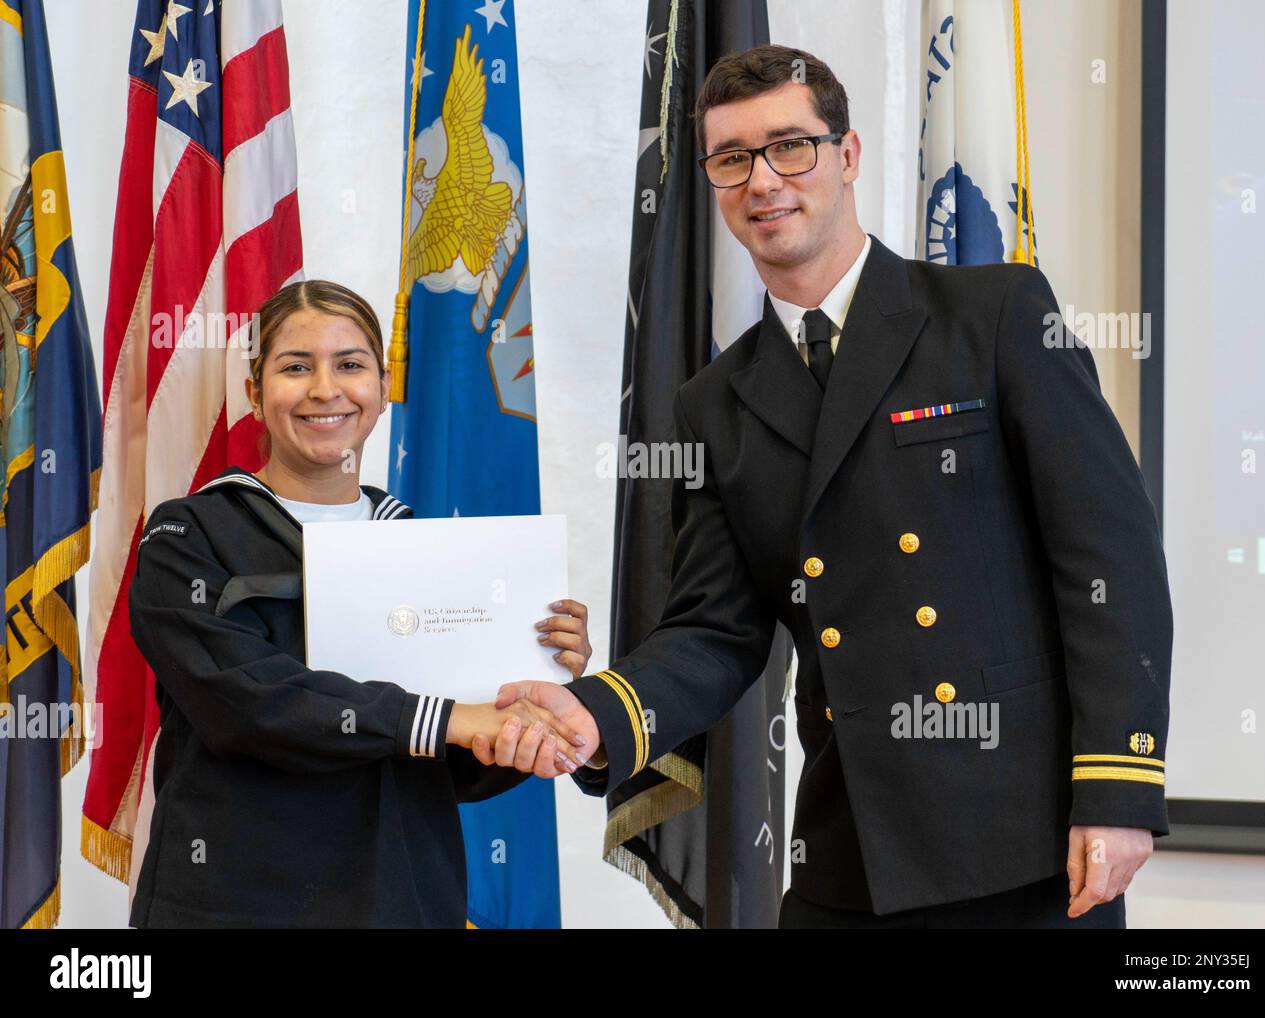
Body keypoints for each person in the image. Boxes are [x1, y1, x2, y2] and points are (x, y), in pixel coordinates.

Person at [497, 45, 1174, 929]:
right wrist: (597, 717)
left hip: (1021, 838)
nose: (763, 180)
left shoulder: (993, 314)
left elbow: (1109, 561)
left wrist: (1118, 786)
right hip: (850, 849)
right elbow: (714, 628)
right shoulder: (716, 403)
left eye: (790, 146)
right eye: (732, 158)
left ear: (847, 156)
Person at [127, 280, 590, 928]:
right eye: (295, 366)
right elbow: (247, 704)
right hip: (238, 903)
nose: (325, 389)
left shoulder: (437, 554)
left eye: (350, 364)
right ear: (255, 393)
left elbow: (454, 764)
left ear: (382, 386)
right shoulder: (187, 536)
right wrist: (451, 718)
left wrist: (535, 691)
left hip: (404, 897)